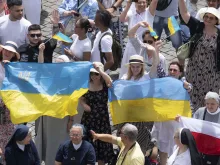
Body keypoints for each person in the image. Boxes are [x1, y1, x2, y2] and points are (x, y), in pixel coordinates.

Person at [117, 42, 160, 154]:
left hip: (143, 116)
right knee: (126, 142)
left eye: (138, 67)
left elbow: (155, 64)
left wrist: (154, 51)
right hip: (128, 114)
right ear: (130, 67)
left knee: (141, 143)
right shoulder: (124, 78)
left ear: (142, 67)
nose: (135, 69)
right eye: (133, 66)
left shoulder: (147, 76)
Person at [179, 0, 220, 112]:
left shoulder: (219, 34)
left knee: (209, 98)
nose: (207, 19)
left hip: (211, 74)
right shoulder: (198, 26)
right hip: (194, 69)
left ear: (216, 20)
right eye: (206, 16)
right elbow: (184, 14)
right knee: (191, 95)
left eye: (211, 18)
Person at [151, 61, 192, 165]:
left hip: (175, 123)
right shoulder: (163, 82)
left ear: (180, 73)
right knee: (163, 147)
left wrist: (187, 86)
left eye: (175, 70)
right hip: (163, 122)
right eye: (170, 69)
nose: (172, 72)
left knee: (176, 146)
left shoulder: (183, 83)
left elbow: (189, 88)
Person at [35, 55, 71, 165]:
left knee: (60, 143)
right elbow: (40, 68)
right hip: (48, 117)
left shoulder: (69, 79)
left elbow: (72, 101)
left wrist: (71, 120)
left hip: (62, 118)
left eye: (60, 64)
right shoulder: (50, 76)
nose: (57, 66)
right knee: (49, 143)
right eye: (56, 63)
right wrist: (41, 52)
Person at [80, 62, 114, 165]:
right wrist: (83, 105)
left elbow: (110, 81)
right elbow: (81, 98)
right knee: (87, 143)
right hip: (88, 118)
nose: (94, 76)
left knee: (102, 145)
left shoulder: (105, 85)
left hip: (102, 119)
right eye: (92, 74)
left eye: (96, 74)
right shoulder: (86, 84)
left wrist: (100, 70)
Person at [119, 0, 158, 78]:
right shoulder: (131, 12)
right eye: (139, 2)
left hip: (145, 46)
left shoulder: (149, 12)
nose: (142, 4)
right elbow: (122, 19)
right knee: (128, 70)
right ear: (135, 3)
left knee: (142, 71)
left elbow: (155, 1)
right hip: (132, 46)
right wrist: (128, 5)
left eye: (144, 2)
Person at [0, 41, 20, 164]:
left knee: (9, 132)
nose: (7, 53)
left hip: (9, 106)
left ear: (14, 55)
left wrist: (11, 70)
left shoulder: (17, 68)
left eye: (10, 52)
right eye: (6, 50)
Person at [193, 91, 220, 164]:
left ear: (218, 104)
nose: (209, 106)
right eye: (207, 103)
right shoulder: (200, 111)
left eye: (212, 104)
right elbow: (192, 125)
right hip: (201, 147)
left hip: (216, 149)